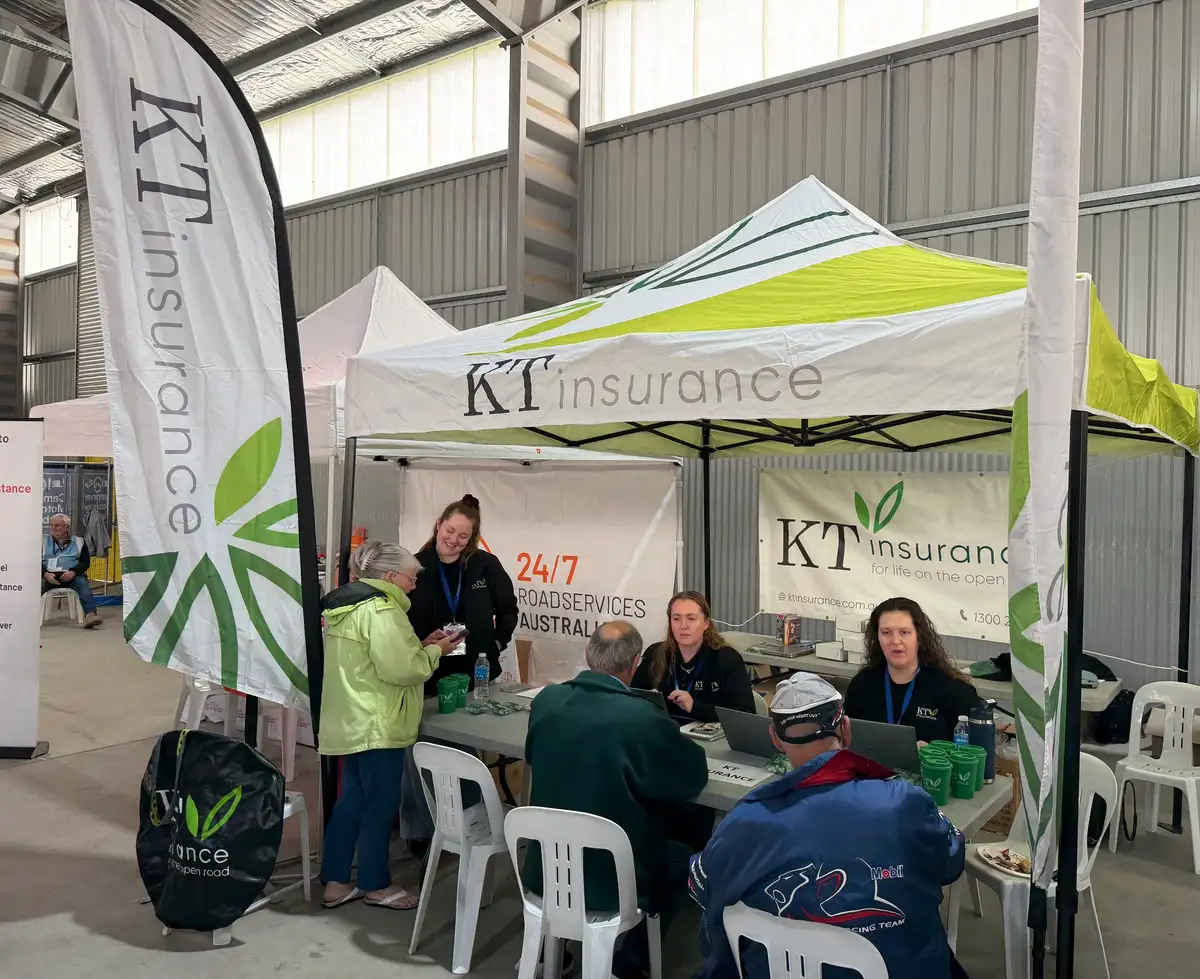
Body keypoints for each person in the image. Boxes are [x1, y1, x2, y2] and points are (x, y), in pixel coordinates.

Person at [689, 673, 969, 979]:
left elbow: (703, 883)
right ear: (846, 730)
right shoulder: (908, 802)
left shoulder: (744, 821)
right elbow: (950, 862)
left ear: (776, 739)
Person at [524, 621, 710, 979]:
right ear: (635, 663)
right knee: (684, 859)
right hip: (609, 879)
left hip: (545, 867)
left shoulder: (547, 701)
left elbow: (533, 756)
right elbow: (689, 777)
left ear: (587, 655)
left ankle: (556, 949)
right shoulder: (641, 716)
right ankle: (631, 961)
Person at [318, 541, 459, 911]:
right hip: (378, 722)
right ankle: (375, 884)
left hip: (352, 718)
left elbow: (376, 658)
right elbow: (401, 669)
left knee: (351, 799)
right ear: (391, 576)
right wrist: (435, 652)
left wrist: (419, 644)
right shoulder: (383, 611)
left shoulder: (349, 607)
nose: (414, 584)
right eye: (412, 577)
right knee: (380, 804)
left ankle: (335, 881)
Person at [407, 494, 519, 696]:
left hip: (478, 676)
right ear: (438, 525)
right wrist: (420, 643)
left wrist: (496, 643)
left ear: (471, 537)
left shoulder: (485, 565)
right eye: (449, 531)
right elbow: (400, 618)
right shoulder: (414, 566)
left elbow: (508, 610)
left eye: (462, 536)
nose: (453, 540)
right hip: (429, 675)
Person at [843, 596, 980, 744]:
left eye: (904, 632)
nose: (895, 641)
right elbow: (846, 743)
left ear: (919, 636)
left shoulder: (954, 691)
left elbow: (975, 753)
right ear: (877, 637)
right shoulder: (862, 685)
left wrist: (935, 754)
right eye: (886, 632)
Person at [632, 591, 755, 723]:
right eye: (676, 619)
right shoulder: (655, 653)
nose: (683, 626)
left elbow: (745, 714)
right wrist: (648, 701)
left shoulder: (726, 658)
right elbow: (632, 697)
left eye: (691, 619)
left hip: (710, 739)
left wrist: (694, 706)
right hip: (664, 733)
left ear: (706, 623)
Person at [42, 513, 102, 628]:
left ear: (66, 527)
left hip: (72, 575)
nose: (53, 528)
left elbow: (85, 562)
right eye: (51, 525)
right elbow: (35, 561)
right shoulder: (43, 541)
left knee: (83, 585)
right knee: (36, 588)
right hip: (48, 576)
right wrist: (45, 574)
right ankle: (23, 616)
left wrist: (73, 572)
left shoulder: (79, 541)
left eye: (57, 525)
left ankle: (90, 615)